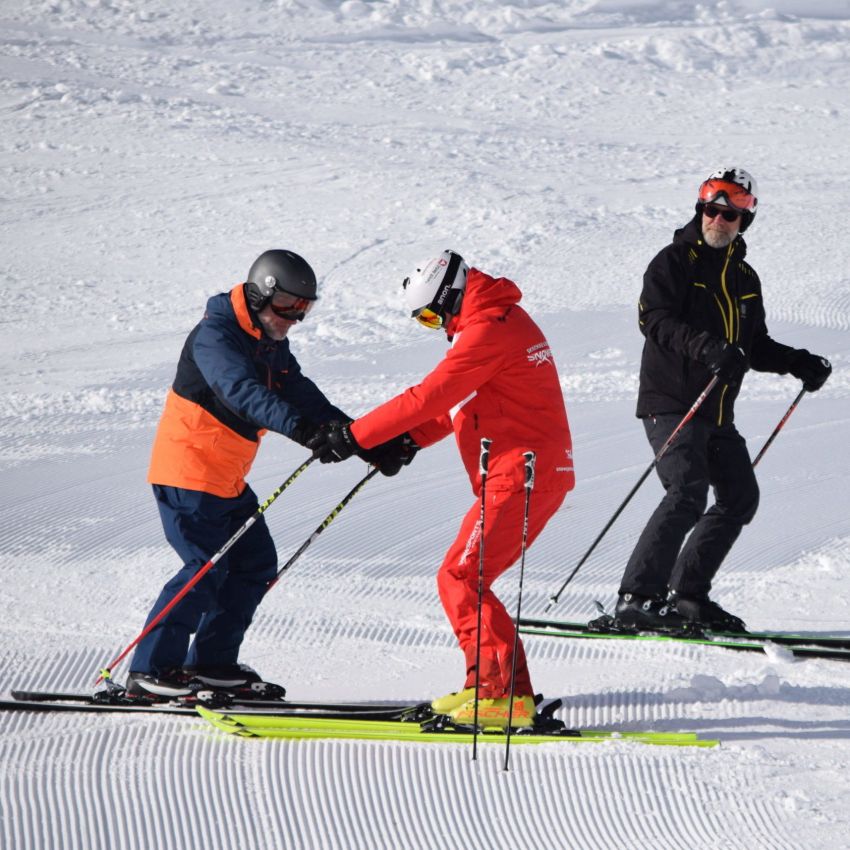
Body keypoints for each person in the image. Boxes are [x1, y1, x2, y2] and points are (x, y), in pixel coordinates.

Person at [308, 250, 575, 728]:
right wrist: (407, 440)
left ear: (451, 293)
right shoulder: (497, 320)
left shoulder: (490, 327)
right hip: (524, 472)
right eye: (424, 321)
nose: (436, 326)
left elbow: (432, 394)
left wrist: (356, 436)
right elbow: (460, 402)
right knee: (467, 576)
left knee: (462, 576)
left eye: (433, 314)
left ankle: (498, 697)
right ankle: (496, 689)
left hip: (520, 474)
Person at [128, 249, 399, 699]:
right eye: (288, 307)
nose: (294, 319)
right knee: (204, 569)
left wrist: (357, 438)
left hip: (227, 478)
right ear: (259, 293)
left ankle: (212, 663)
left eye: (304, 310)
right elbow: (242, 393)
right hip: (188, 473)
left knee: (254, 564)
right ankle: (149, 669)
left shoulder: (267, 340)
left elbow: (299, 391)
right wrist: (304, 430)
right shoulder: (216, 336)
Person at [606, 168, 832, 633]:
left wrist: (798, 362)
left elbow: (755, 345)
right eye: (712, 209)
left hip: (717, 409)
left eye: (730, 213)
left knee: (739, 497)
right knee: (686, 491)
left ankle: (687, 596)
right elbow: (656, 320)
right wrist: (708, 348)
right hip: (671, 400)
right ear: (700, 209)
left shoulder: (745, 277)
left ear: (744, 220)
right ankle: (636, 598)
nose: (719, 219)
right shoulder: (673, 261)